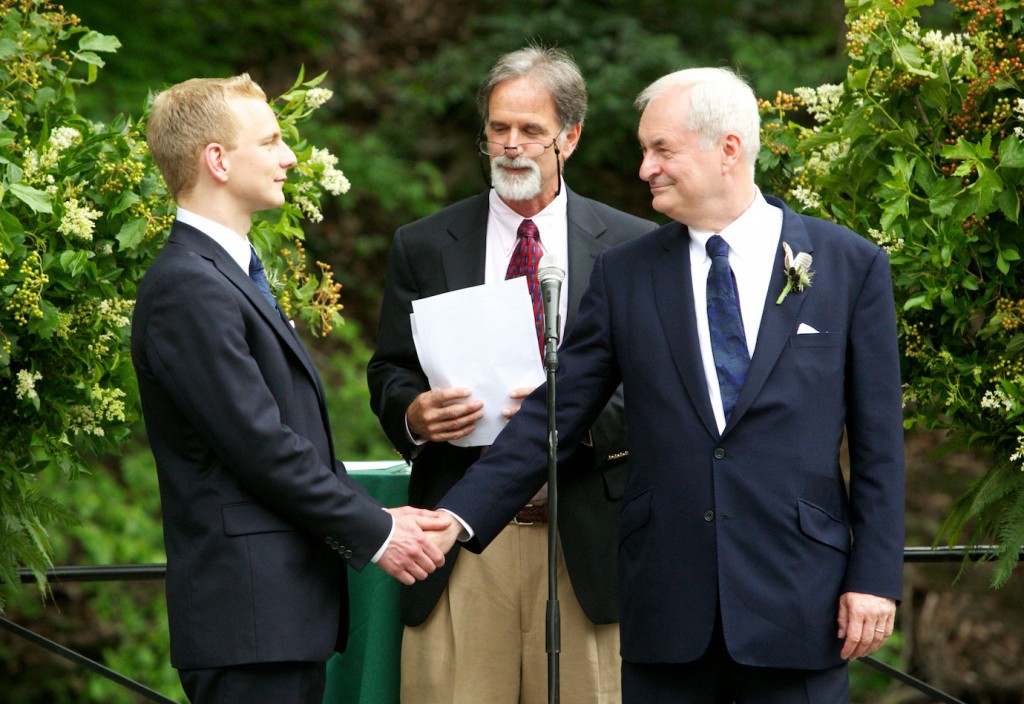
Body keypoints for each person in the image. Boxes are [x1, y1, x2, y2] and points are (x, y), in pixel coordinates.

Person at [430, 66, 906, 703]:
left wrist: (874, 578)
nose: (644, 169)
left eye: (661, 149)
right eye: (644, 150)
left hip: (800, 599)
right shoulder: (626, 274)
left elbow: (879, 445)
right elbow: (554, 414)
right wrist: (456, 516)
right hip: (666, 605)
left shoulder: (850, 265)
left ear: (728, 149)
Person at [132, 74, 449, 704]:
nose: (290, 158)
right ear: (217, 160)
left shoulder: (226, 275)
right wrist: (376, 531)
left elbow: (284, 437)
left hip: (277, 619)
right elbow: (260, 446)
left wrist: (378, 515)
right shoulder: (187, 287)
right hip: (247, 621)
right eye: (271, 141)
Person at [367, 46, 655, 704]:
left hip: (586, 539)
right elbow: (389, 369)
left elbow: (658, 384)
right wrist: (413, 413)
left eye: (530, 129)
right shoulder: (424, 243)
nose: (512, 145)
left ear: (569, 138)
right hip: (463, 539)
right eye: (498, 128)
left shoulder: (635, 245)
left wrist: (579, 420)